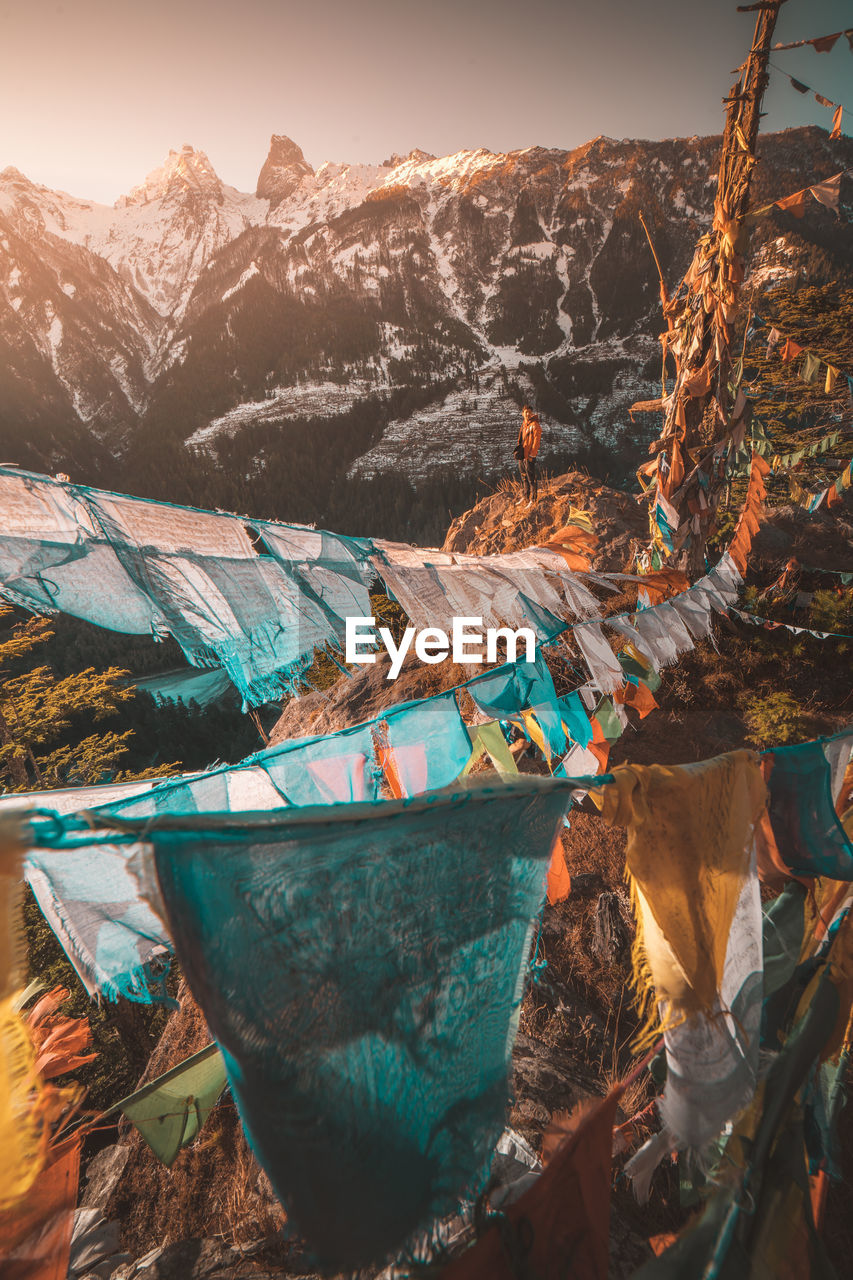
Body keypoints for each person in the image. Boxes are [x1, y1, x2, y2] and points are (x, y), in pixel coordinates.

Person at [514, 405, 541, 506]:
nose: (528, 414)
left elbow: (536, 442)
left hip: (529, 456)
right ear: (522, 414)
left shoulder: (535, 425)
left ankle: (533, 500)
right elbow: (520, 439)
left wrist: (532, 455)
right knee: (524, 477)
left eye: (529, 412)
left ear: (532, 413)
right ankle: (526, 497)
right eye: (526, 412)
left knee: (531, 478)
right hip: (522, 456)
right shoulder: (524, 424)